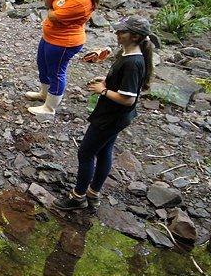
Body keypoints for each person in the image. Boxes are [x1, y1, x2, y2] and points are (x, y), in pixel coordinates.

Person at [57, 16, 158, 211]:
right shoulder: (128, 54)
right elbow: (125, 84)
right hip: (116, 116)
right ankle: (93, 193)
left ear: (135, 36)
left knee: (85, 152)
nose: (117, 33)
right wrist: (107, 80)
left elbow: (128, 98)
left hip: (111, 117)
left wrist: (102, 90)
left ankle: (78, 197)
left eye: (122, 31)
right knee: (104, 151)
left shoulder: (133, 62)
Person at [27, 0, 101, 118]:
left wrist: (52, 11)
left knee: (56, 72)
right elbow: (48, 3)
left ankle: (49, 108)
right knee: (43, 66)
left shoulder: (81, 0)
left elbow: (52, 15)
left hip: (64, 42)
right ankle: (44, 94)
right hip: (50, 36)